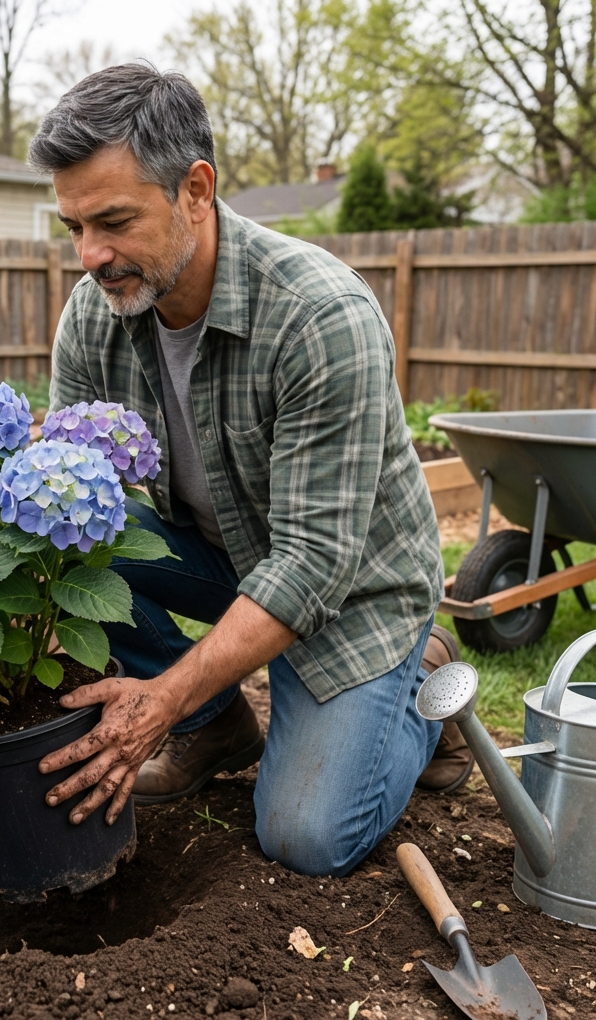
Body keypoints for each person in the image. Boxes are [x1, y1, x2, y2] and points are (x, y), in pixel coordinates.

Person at [28, 63, 473, 877]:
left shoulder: (318, 316)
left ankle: (424, 673)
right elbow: (68, 503)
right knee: (75, 525)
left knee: (305, 835)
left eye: (115, 221)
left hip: (353, 589)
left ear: (195, 190)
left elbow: (312, 564)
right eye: (74, 228)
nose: (91, 256)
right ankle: (216, 728)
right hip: (227, 559)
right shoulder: (95, 316)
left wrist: (158, 701)